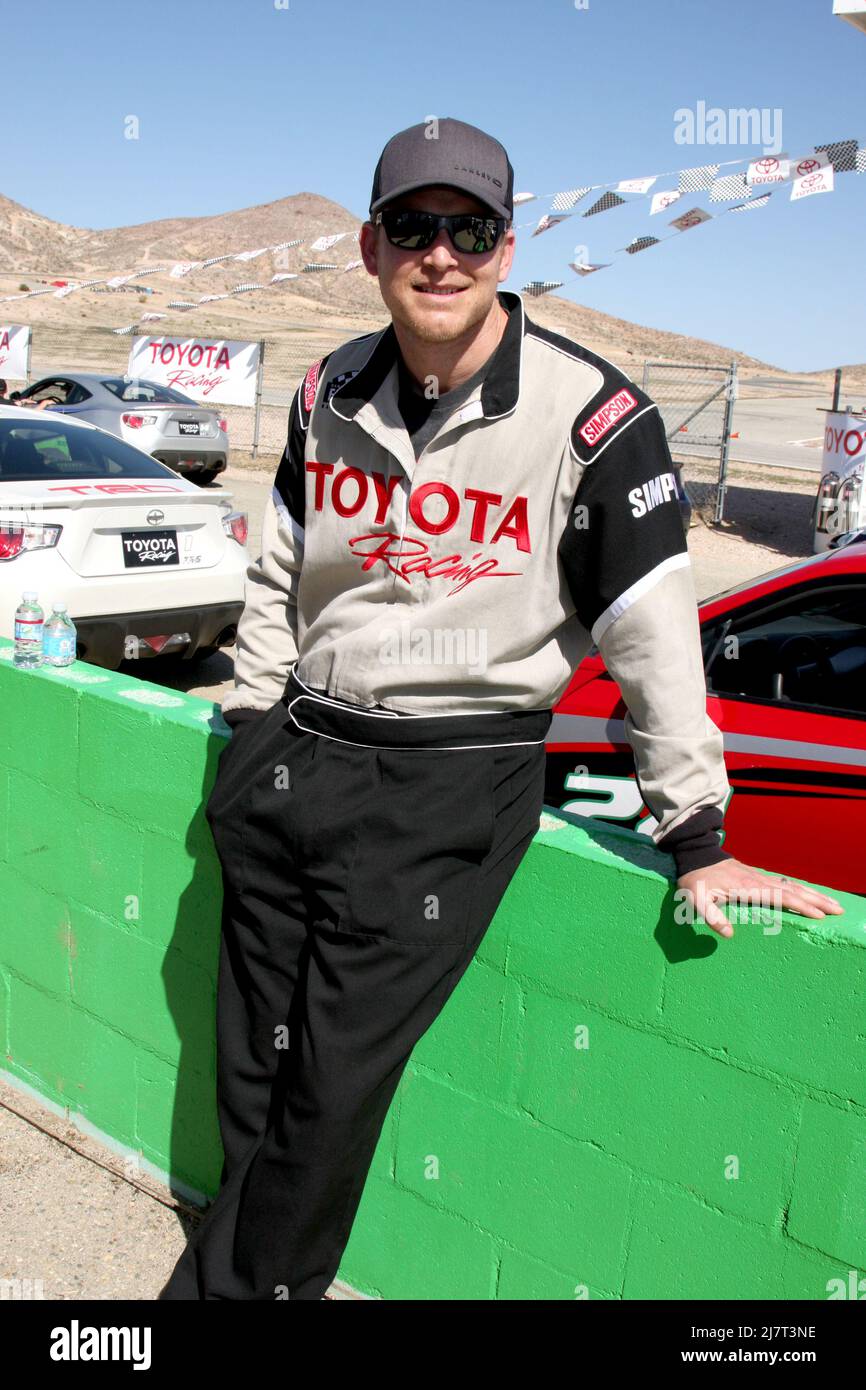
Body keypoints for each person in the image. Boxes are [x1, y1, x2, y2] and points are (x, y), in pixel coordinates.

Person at [158, 118, 842, 1302]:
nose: (440, 254)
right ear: (371, 246)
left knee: (327, 1097)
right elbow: (280, 564)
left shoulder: (593, 421)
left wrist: (697, 833)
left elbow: (651, 634)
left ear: (507, 247)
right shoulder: (328, 387)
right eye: (412, 227)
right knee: (252, 1074)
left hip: (445, 787)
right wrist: (253, 716)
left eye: (468, 229)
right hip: (293, 755)